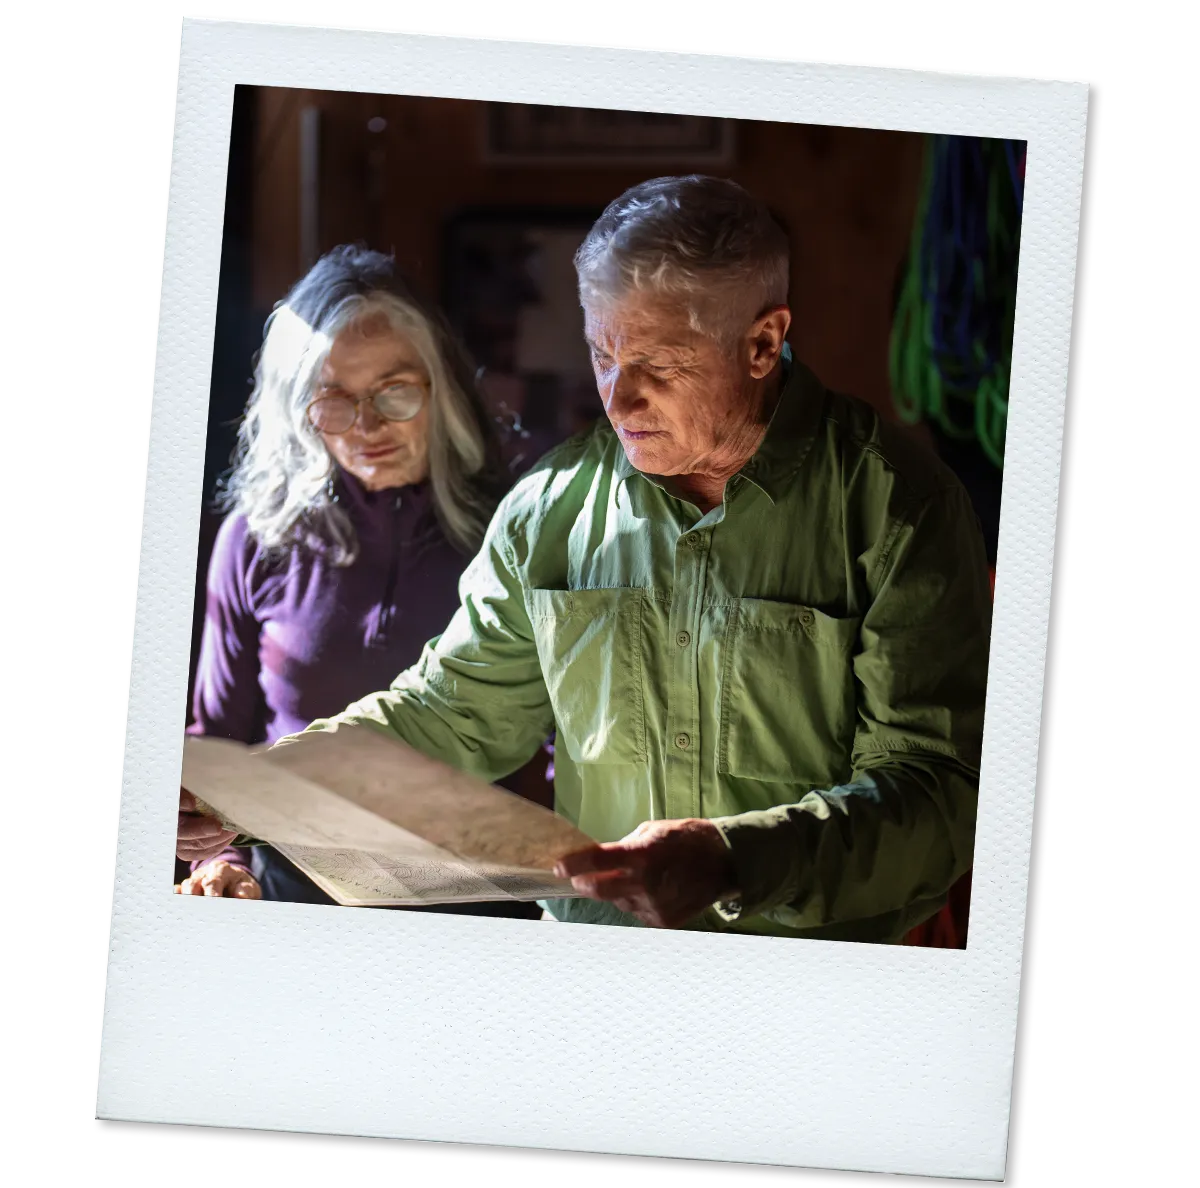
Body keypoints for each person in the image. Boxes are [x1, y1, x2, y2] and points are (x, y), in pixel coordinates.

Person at [181, 177, 990, 944]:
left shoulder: (896, 505)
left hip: (815, 982)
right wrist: (255, 792)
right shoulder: (552, 507)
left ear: (763, 342)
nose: (618, 397)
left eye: (658, 366)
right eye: (603, 355)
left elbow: (933, 792)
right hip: (594, 970)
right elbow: (450, 713)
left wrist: (738, 859)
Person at [176, 244, 549, 916]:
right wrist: (223, 861)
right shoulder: (257, 539)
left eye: (394, 391)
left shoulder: (519, 522)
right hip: (299, 890)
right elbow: (218, 743)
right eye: (333, 401)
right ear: (297, 410)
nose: (367, 426)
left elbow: (568, 738)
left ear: (445, 388)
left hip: (490, 898)